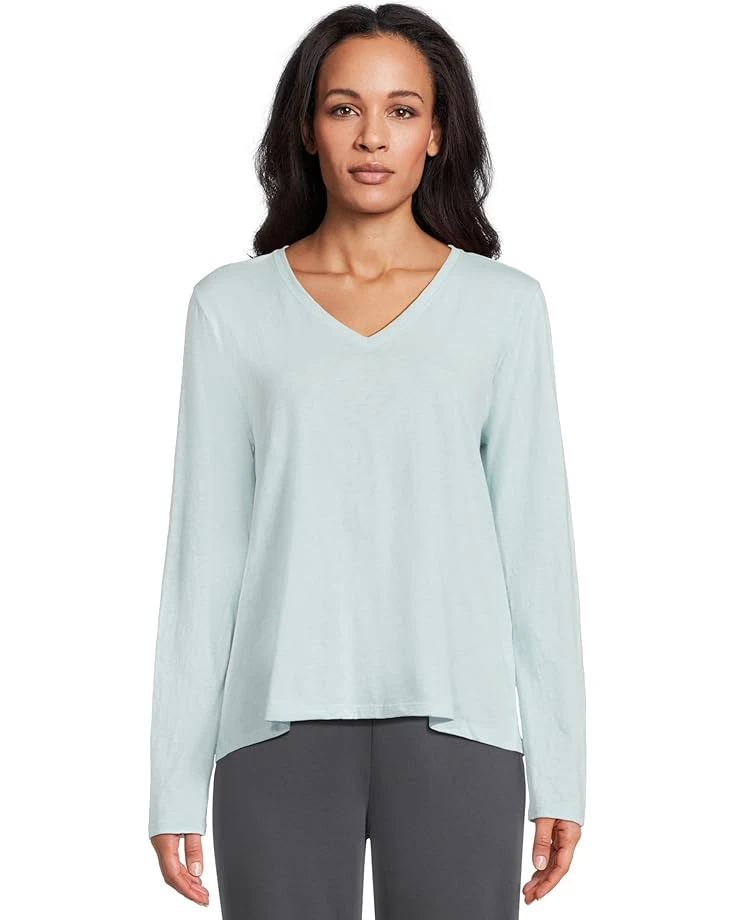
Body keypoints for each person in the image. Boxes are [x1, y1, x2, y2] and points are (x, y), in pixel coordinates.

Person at [147, 4, 587, 918]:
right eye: (344, 108)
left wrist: (562, 769)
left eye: (402, 110)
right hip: (275, 724)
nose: (372, 136)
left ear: (439, 133)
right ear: (308, 129)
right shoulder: (231, 308)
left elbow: (536, 553)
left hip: (461, 725)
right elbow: (204, 557)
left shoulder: (505, 309)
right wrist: (173, 781)